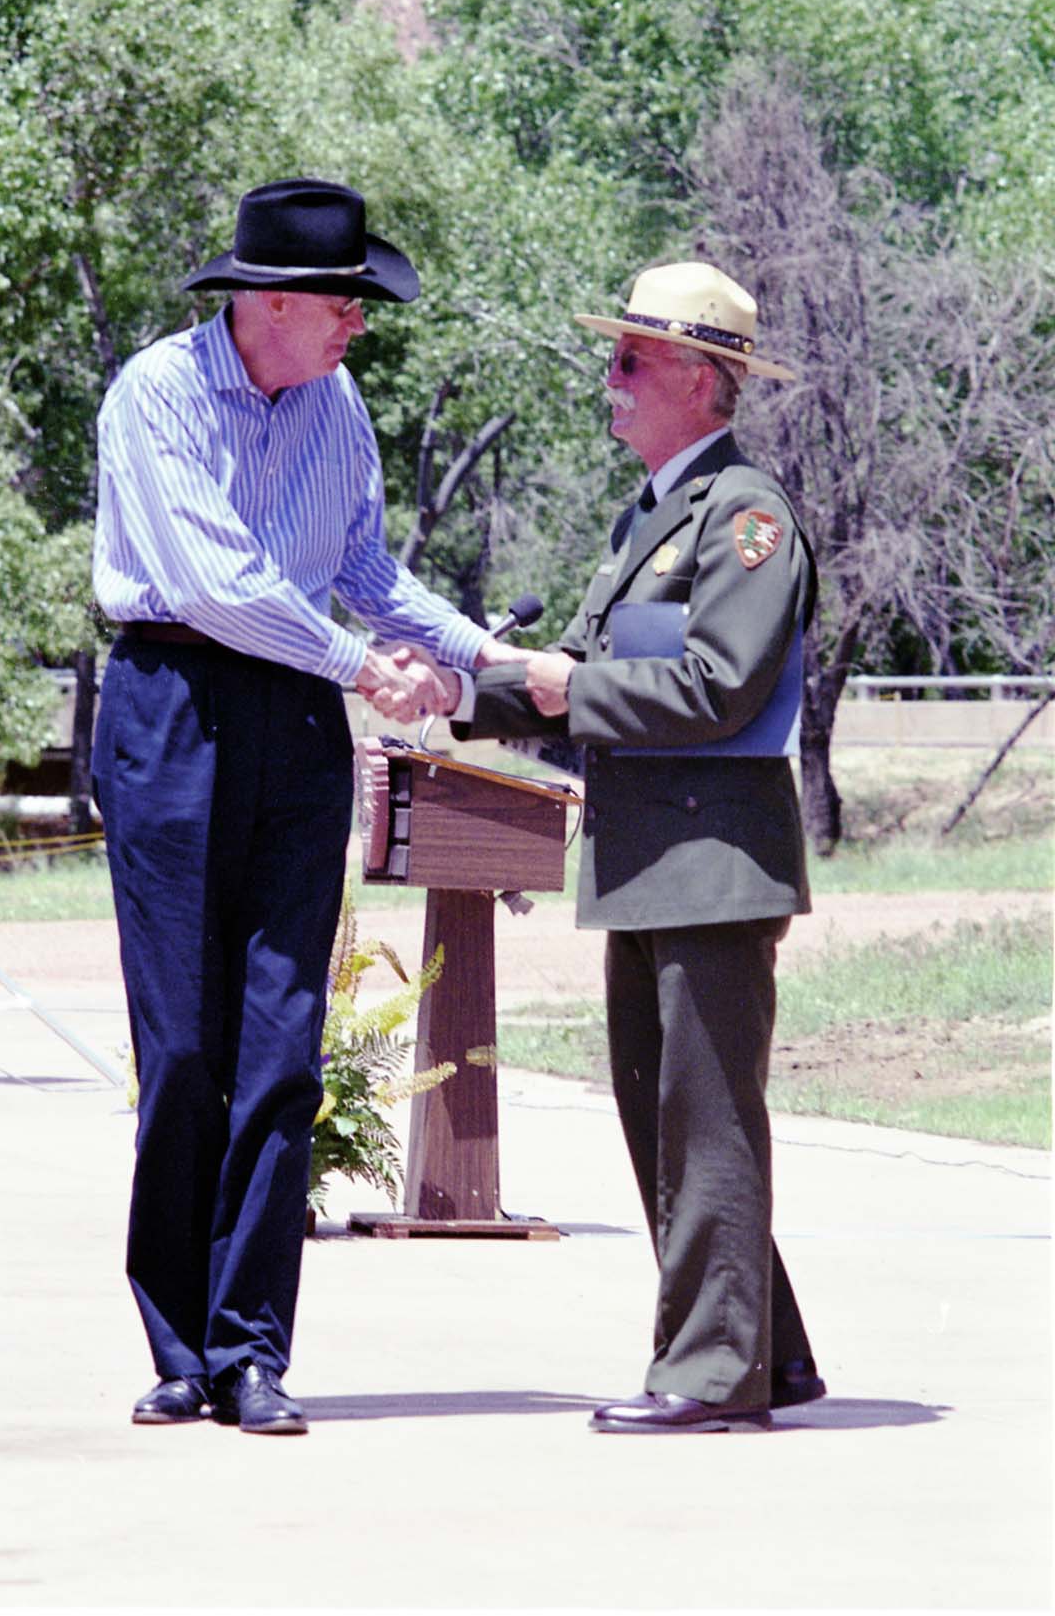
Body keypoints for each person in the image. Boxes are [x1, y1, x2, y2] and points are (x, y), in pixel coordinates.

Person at [91, 177, 517, 1436]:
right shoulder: (156, 397)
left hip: (295, 728)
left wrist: (473, 658)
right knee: (183, 1049)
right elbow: (215, 581)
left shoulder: (339, 409)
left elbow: (365, 572)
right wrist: (362, 668)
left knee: (282, 1053)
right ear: (269, 302)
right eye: (345, 304)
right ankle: (178, 1343)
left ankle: (252, 1349)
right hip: (175, 703)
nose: (360, 327)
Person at [431, 261, 827, 1433]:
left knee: (705, 1123)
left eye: (631, 361)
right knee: (668, 1117)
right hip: (648, 867)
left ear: (702, 382)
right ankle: (773, 1353)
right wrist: (453, 686)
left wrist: (572, 682)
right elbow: (566, 686)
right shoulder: (651, 517)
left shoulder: (747, 518)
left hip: (712, 868)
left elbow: (717, 685)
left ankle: (712, 1373)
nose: (608, 381)